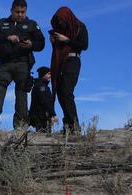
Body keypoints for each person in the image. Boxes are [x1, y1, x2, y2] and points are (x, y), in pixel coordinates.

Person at [0, 0, 45, 131]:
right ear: (11, 10)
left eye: (23, 12)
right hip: (5, 63)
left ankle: (20, 126)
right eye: (17, 12)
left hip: (23, 63)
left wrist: (31, 45)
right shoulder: (2, 23)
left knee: (22, 92)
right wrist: (7, 37)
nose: (20, 14)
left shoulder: (32, 24)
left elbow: (41, 43)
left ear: (26, 11)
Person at [50, 6, 88, 135]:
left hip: (72, 62)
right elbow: (58, 49)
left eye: (62, 20)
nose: (60, 23)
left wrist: (67, 40)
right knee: (61, 94)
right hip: (60, 63)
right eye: (58, 21)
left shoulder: (79, 27)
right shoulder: (61, 29)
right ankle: (68, 126)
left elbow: (84, 45)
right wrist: (54, 41)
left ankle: (75, 126)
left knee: (67, 92)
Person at [28, 66, 57, 133]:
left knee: (42, 133)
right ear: (43, 75)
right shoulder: (41, 87)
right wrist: (52, 114)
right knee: (44, 135)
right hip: (41, 117)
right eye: (49, 74)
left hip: (40, 116)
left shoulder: (39, 86)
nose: (50, 76)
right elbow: (45, 102)